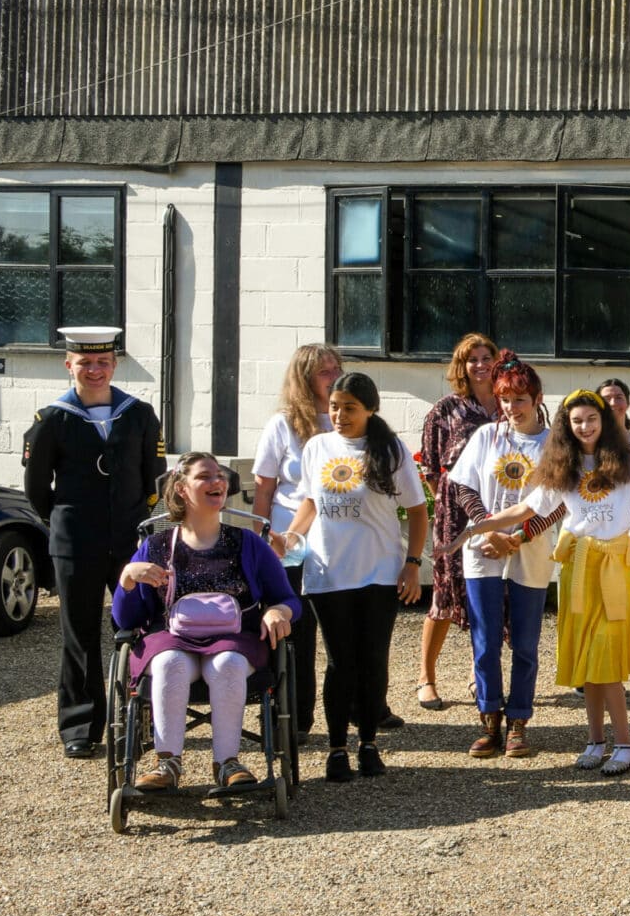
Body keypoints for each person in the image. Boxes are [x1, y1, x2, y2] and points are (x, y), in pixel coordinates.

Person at [452, 389, 630, 775]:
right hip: (578, 571)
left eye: (592, 420)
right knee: (587, 664)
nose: (585, 427)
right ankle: (596, 741)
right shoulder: (563, 468)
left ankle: (626, 744)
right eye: (577, 421)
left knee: (605, 659)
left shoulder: (628, 466)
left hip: (615, 571)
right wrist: (482, 525)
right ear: (567, 425)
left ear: (604, 422)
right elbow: (527, 508)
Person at [112, 453, 298, 791]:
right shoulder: (155, 546)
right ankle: (167, 763)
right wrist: (127, 579)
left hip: (234, 638)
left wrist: (278, 611)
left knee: (227, 664)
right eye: (205, 476)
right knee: (170, 664)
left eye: (220, 476)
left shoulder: (249, 544)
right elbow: (126, 621)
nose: (218, 482)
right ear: (182, 489)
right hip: (171, 638)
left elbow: (288, 599)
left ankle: (228, 763)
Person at [279, 372, 428, 782]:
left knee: (372, 659)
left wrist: (412, 563)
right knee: (339, 661)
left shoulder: (390, 449)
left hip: (378, 571)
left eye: (349, 408)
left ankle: (368, 743)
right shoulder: (317, 447)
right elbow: (310, 502)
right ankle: (336, 748)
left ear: (369, 409)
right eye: (334, 406)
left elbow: (417, 511)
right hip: (329, 571)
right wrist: (289, 538)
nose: (340, 415)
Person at [23, 326, 162, 759]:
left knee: (140, 628)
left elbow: (153, 479)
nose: (95, 369)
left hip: (128, 542)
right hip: (75, 543)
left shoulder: (138, 414)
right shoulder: (52, 420)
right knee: (80, 634)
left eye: (102, 362)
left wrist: (131, 519)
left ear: (114, 365)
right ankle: (81, 726)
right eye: (85, 362)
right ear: (69, 365)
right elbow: (35, 489)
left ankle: (142, 719)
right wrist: (68, 520)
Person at [250, 342, 401, 738]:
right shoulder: (284, 424)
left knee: (355, 638)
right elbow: (264, 488)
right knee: (297, 634)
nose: (333, 375)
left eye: (337, 368)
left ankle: (363, 709)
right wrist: (263, 540)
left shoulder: (360, 423)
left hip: (345, 545)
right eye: (324, 371)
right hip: (294, 545)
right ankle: (297, 717)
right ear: (303, 378)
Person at [447, 350, 554, 760]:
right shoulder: (487, 437)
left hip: (532, 548)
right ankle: (489, 718)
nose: (512, 408)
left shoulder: (553, 444)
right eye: (505, 399)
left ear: (536, 397)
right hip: (484, 549)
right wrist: (490, 528)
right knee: (485, 638)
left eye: (520, 399)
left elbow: (559, 503)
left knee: (525, 641)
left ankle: (519, 720)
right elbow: (464, 486)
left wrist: (518, 536)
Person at [417, 333, 498, 710]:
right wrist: (447, 508)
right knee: (445, 596)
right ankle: (426, 677)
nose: (480, 365)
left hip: (497, 508)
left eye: (486, 357)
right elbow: (431, 467)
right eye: (472, 359)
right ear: (461, 366)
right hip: (454, 514)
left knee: (486, 594)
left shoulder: (507, 405)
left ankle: (475, 673)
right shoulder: (445, 409)